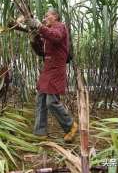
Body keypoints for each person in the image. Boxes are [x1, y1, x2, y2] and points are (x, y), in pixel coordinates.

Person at [24, 9, 78, 142]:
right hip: (47, 69)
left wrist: (39, 26)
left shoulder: (60, 27)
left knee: (51, 102)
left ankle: (71, 125)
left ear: (55, 16)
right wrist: (34, 39)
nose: (45, 17)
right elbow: (41, 51)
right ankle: (40, 132)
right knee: (40, 100)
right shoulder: (48, 32)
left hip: (56, 70)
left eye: (47, 15)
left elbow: (56, 36)